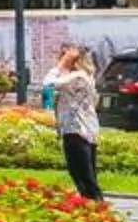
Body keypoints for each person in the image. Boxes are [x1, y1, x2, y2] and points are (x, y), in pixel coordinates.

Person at [45, 44, 104, 202]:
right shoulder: (81, 76)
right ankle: (93, 206)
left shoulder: (78, 76)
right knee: (83, 176)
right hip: (80, 130)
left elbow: (48, 84)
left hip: (77, 130)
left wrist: (61, 65)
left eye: (63, 56)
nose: (59, 59)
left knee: (84, 177)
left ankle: (97, 208)